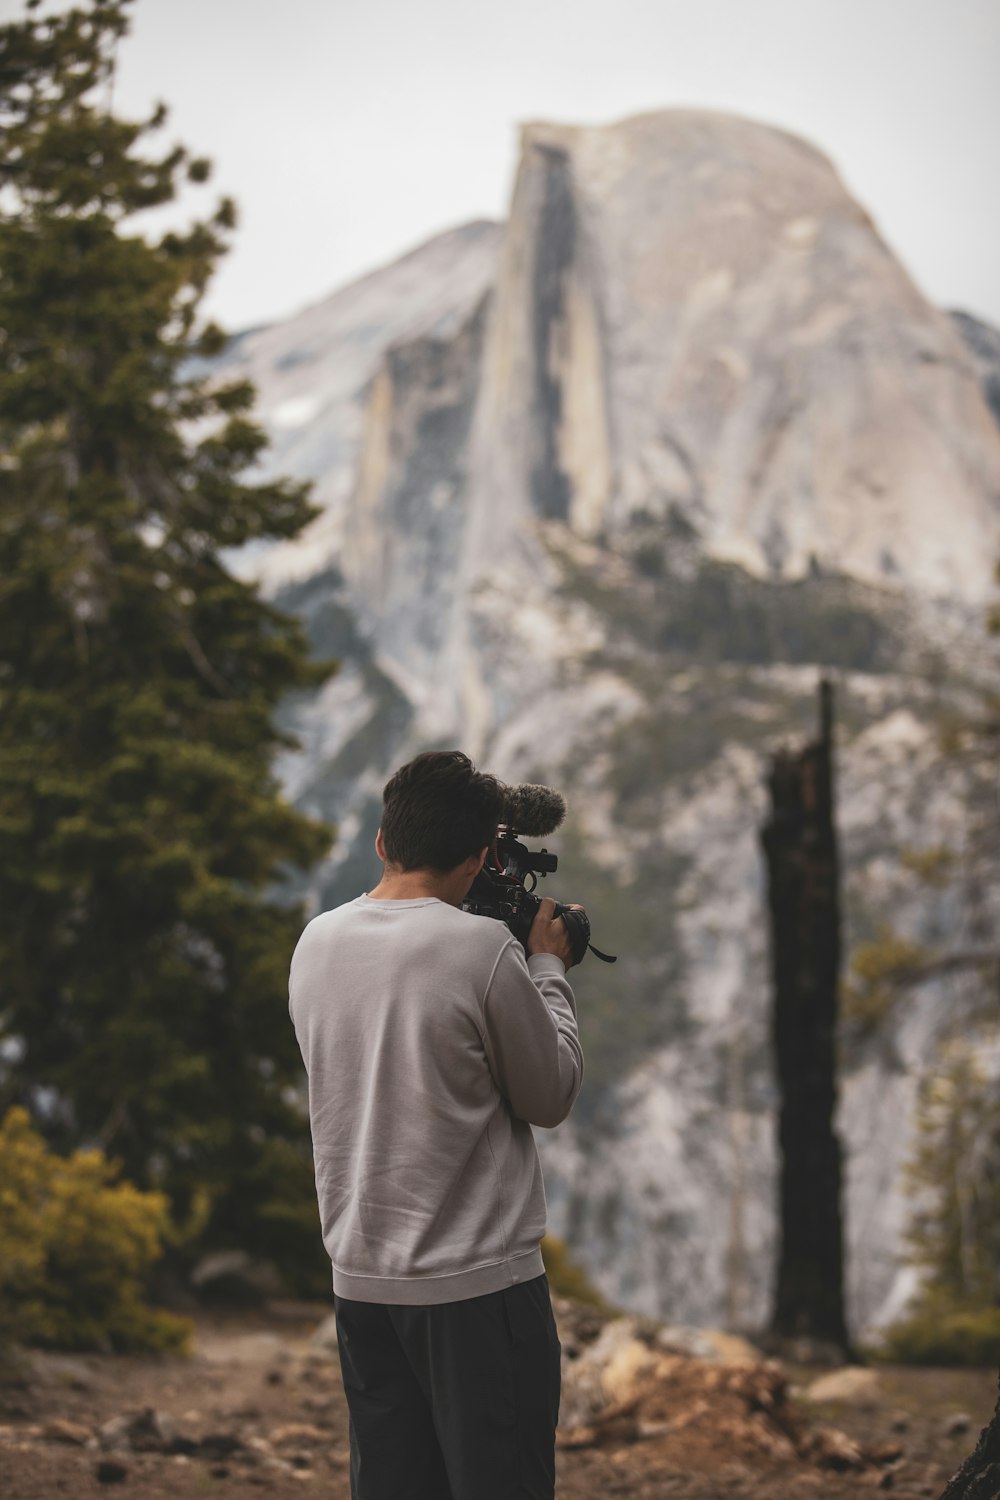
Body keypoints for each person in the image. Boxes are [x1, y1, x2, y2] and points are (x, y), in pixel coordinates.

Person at [288, 749, 584, 1500]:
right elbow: (548, 1094)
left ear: (384, 841)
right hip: (476, 1287)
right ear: (486, 855)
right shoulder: (480, 949)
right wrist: (546, 969)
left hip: (363, 1281)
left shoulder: (315, 940)